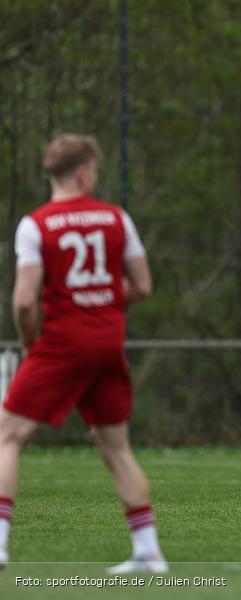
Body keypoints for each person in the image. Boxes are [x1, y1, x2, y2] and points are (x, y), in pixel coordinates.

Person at [0, 134, 166, 573]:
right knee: (116, 446)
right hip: (107, 345)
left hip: (62, 343)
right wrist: (103, 299)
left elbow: (23, 301)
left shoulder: (35, 224)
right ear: (81, 172)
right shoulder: (116, 218)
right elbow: (143, 286)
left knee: (7, 436)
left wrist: (29, 341)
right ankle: (149, 550)